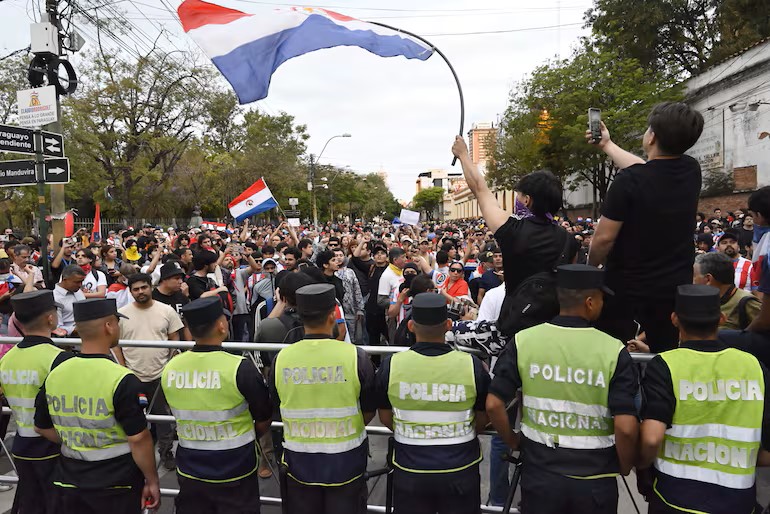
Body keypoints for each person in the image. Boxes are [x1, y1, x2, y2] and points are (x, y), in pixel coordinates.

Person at [486, 264, 638, 513]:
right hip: (594, 479)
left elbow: (493, 404)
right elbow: (626, 428)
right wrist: (624, 465)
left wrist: (513, 441)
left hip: (540, 474)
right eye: (601, 298)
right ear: (589, 302)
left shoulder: (524, 341)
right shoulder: (613, 350)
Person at [639, 284, 770, 514]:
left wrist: (640, 465)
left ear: (675, 319)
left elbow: (651, 439)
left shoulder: (666, 365)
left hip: (674, 499)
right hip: (737, 502)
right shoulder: (754, 367)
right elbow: (768, 453)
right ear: (721, 318)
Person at [587, 102, 704, 352]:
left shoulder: (627, 182)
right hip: (673, 292)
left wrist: (590, 267)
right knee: (662, 355)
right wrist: (607, 145)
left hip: (627, 292)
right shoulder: (691, 170)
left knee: (617, 357)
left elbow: (603, 239)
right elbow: (647, 169)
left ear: (652, 136)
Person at [33, 298, 161, 514]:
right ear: (109, 326)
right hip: (116, 482)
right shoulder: (122, 378)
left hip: (69, 479)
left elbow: (41, 427)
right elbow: (138, 438)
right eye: (117, 323)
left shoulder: (56, 374)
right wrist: (152, 480)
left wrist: (77, 439)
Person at [376, 292, 489, 514]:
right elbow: (484, 417)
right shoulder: (471, 365)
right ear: (448, 325)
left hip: (409, 469)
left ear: (410, 326)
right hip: (460, 469)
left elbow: (386, 417)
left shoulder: (392, 365)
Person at [271, 283, 376, 514]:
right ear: (332, 316)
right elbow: (368, 410)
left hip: (299, 464)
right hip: (346, 462)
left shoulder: (281, 359)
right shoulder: (356, 356)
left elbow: (276, 405)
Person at [161, 297, 272, 514]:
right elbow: (264, 416)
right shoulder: (240, 368)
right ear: (222, 325)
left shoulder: (170, 368)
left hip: (190, 468)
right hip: (236, 468)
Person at [0, 291, 72, 513]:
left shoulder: (6, 360)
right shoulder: (59, 358)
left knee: (30, 503)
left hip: (22, 445)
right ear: (51, 319)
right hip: (52, 445)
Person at [115, 273, 185, 471]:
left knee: (163, 419)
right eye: (136, 289)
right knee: (130, 419)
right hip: (130, 376)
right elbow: (116, 345)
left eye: (144, 288)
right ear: (130, 291)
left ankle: (166, 452)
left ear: (150, 288)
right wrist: (122, 369)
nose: (140, 292)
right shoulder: (122, 314)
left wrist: (170, 365)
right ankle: (132, 456)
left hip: (160, 374)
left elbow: (175, 337)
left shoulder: (166, 311)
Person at [693, 252, 760, 330]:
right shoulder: (702, 303)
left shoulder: (747, 303)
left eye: (694, 276)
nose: (691, 281)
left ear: (708, 279)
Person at [52, 265, 87, 336]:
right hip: (69, 341)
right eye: (77, 282)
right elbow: (57, 328)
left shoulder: (78, 291)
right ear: (65, 280)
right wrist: (77, 330)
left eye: (82, 281)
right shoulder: (54, 298)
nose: (80, 285)